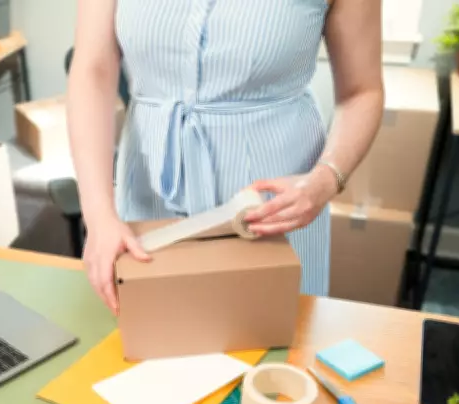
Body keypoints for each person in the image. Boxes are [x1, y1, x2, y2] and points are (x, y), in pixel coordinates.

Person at [67, 0, 383, 315]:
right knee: (153, 329)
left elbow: (362, 92)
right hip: (148, 195)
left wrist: (325, 179)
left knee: (274, 335)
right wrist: (99, 216)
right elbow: (92, 70)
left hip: (273, 207)